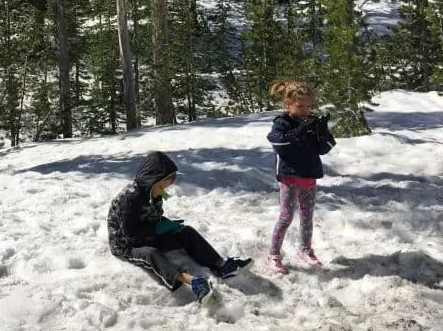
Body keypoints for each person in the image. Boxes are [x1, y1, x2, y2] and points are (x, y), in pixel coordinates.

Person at [107, 150, 252, 304]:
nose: (163, 192)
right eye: (162, 187)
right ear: (150, 181)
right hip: (126, 244)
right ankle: (192, 281)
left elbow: (152, 217)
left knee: (186, 232)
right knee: (151, 254)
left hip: (147, 235)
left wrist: (167, 224)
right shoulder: (129, 199)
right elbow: (130, 232)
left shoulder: (153, 194)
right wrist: (157, 229)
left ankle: (221, 266)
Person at [266, 80, 336, 274]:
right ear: (287, 104)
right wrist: (296, 133)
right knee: (286, 216)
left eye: (308, 105)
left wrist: (323, 136)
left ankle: (305, 249)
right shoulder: (282, 123)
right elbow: (277, 144)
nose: (305, 110)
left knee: (307, 217)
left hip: (309, 177)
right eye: (300, 106)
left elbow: (324, 149)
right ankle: (274, 254)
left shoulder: (312, 121)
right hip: (289, 177)